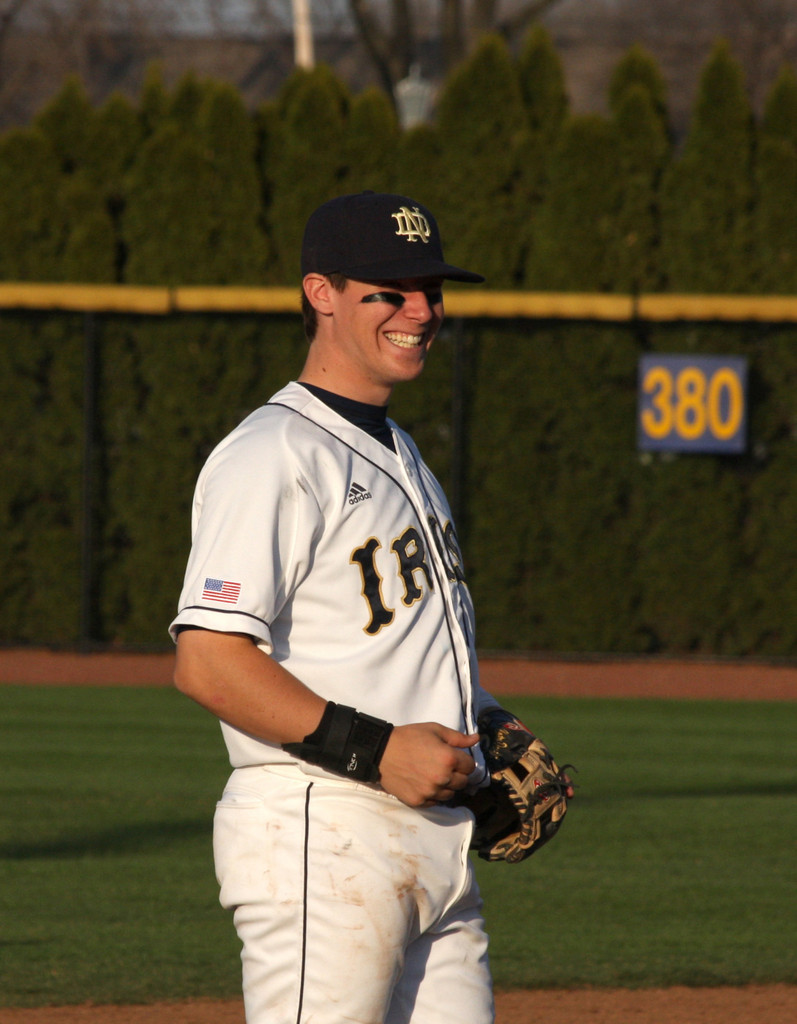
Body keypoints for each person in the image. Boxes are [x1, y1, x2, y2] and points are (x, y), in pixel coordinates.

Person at [170, 192, 509, 1023]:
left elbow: (393, 648)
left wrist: (493, 728)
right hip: (323, 830)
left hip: (432, 839)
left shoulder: (401, 450)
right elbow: (208, 662)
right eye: (388, 291)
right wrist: (379, 748)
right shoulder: (272, 452)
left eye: (430, 289)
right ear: (321, 293)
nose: (420, 311)